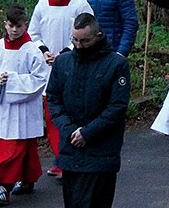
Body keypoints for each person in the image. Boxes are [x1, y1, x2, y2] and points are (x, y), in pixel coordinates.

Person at [46, 13, 130, 208]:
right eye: (74, 40)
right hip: (71, 150)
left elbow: (117, 107)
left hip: (101, 152)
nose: (78, 45)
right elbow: (54, 99)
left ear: (98, 37)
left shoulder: (116, 64)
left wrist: (88, 132)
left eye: (84, 41)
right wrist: (68, 129)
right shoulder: (63, 62)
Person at [28, 0, 93, 179]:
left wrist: (65, 52)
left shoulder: (79, 4)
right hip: (48, 68)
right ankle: (62, 157)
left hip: (72, 65)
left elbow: (88, 32)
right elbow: (33, 33)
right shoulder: (41, 4)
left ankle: (71, 157)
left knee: (71, 114)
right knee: (52, 115)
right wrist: (44, 50)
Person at [0, 5, 48, 205]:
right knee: (12, 146)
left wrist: (13, 80)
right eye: (10, 25)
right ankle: (27, 179)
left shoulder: (32, 50)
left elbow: (39, 79)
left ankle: (3, 188)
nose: (14, 30)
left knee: (15, 149)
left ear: (25, 25)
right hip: (3, 107)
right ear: (5, 25)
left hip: (24, 108)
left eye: (18, 26)